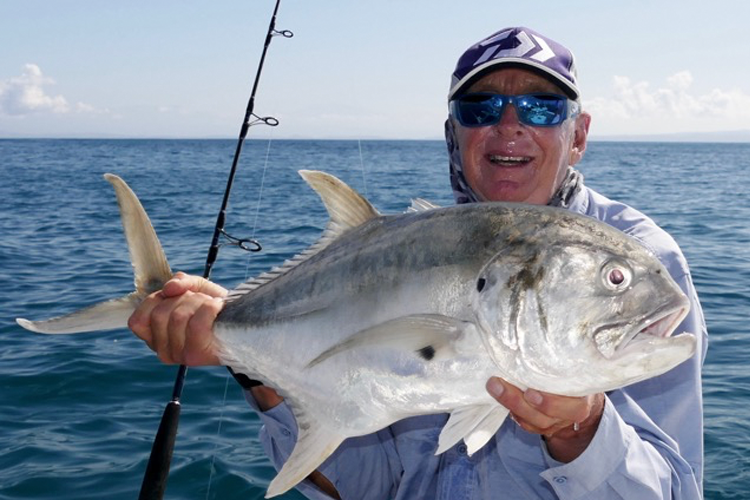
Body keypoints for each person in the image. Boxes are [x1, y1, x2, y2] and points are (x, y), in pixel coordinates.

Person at [129, 27, 707, 499]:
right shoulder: (402, 250)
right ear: (454, 133)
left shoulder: (643, 259)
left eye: (540, 105)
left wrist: (579, 430)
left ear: (577, 135)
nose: (509, 124)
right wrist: (249, 361)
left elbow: (677, 490)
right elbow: (366, 487)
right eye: (480, 108)